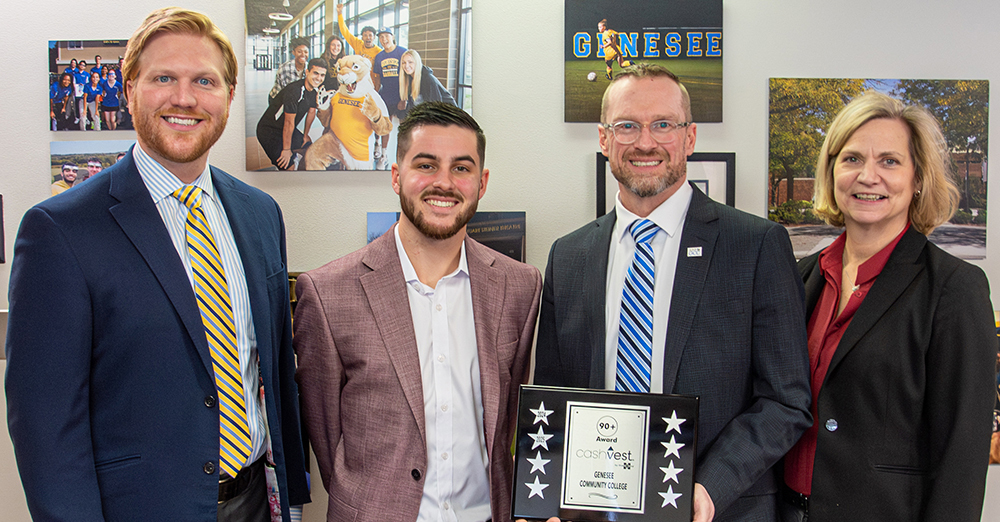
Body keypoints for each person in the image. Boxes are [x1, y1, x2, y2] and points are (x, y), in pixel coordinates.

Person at [6, 8, 310, 521]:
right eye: (164, 78)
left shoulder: (261, 214)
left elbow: (275, 374)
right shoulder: (59, 230)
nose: (185, 98)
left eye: (204, 81)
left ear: (229, 96)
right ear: (130, 90)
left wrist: (291, 501)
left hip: (256, 502)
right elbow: (45, 425)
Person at [533, 63, 811, 522]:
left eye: (663, 124)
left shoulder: (756, 245)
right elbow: (551, 396)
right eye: (627, 126)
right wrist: (543, 498)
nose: (646, 142)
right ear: (604, 139)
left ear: (689, 137)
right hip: (594, 510)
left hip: (717, 511)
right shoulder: (569, 255)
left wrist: (710, 487)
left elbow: (786, 400)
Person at [294, 101, 541, 521]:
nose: (443, 183)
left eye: (461, 168)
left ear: (481, 183)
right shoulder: (327, 293)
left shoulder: (520, 286)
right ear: (396, 176)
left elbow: (508, 423)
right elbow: (327, 436)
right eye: (426, 165)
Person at [779, 92, 997, 522]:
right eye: (852, 159)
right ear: (832, 171)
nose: (868, 176)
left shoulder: (955, 288)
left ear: (918, 179)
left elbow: (962, 456)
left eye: (890, 162)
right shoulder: (800, 276)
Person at [257, 58, 326, 170]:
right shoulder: (294, 91)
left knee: (310, 150)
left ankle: (294, 157)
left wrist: (305, 135)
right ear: (307, 72)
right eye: (316, 73)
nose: (319, 78)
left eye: (322, 75)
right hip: (269, 131)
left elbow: (311, 113)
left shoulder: (314, 93)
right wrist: (286, 149)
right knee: (289, 167)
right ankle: (289, 162)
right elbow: (289, 122)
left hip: (286, 129)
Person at [371, 27, 406, 170]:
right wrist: (374, 96)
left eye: (386, 36)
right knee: (384, 125)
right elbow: (377, 79)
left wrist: (404, 98)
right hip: (386, 95)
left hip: (400, 95)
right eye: (381, 37)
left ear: (393, 36)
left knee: (403, 128)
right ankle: (383, 153)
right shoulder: (379, 57)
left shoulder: (402, 52)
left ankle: (403, 157)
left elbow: (409, 77)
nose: (384, 39)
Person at [397, 49, 456, 120]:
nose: (406, 66)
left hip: (449, 117)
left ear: (417, 63)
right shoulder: (409, 79)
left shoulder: (428, 79)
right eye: (404, 63)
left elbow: (435, 108)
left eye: (410, 62)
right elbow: (413, 107)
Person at [336, 3, 381, 75]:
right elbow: (345, 32)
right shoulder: (358, 44)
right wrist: (339, 14)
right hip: (358, 78)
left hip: (371, 80)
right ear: (362, 37)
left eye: (370, 35)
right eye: (365, 35)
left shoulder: (379, 52)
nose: (368, 37)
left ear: (374, 37)